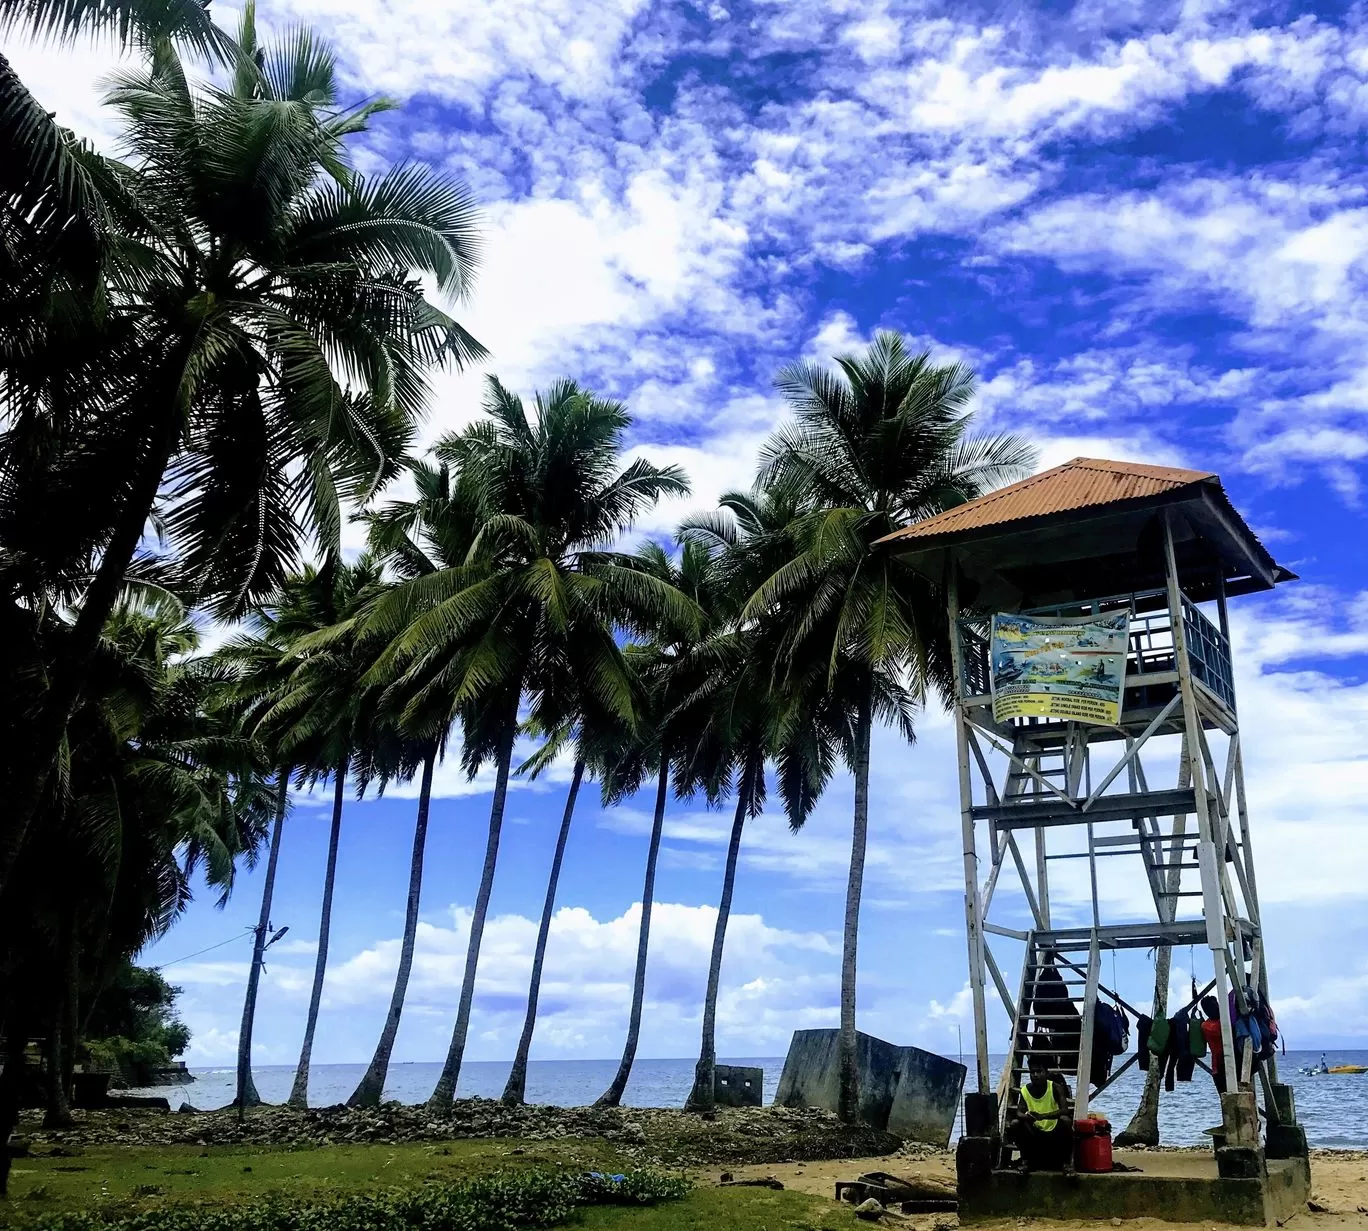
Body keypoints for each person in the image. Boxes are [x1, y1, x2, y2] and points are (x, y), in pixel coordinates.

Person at [1008, 1052, 1075, 1175]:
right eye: (1032, 1072)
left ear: (1046, 1072)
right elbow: (1019, 1112)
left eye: (1039, 1072)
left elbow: (1065, 1110)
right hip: (1035, 1130)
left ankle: (1066, 1164)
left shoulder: (1055, 1087)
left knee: (1066, 1120)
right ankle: (1026, 1162)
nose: (1036, 1075)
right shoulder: (1025, 1090)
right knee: (1015, 1123)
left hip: (1054, 1129)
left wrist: (1043, 1116)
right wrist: (1029, 1117)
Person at [1200, 996, 1226, 1093]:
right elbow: (1220, 1031)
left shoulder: (1208, 1024)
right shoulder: (1207, 1026)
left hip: (1224, 1065)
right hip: (1220, 1066)